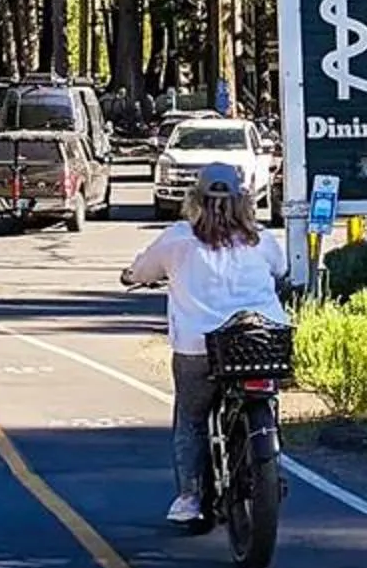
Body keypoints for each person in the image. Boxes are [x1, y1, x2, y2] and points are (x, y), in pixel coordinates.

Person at [122, 162, 290, 526]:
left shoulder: (178, 239)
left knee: (192, 418)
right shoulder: (260, 239)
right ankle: (268, 453)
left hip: (199, 348)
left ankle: (190, 496)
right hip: (261, 342)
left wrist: (131, 276)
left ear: (194, 199)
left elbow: (142, 271)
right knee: (267, 397)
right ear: (244, 201)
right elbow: (280, 271)